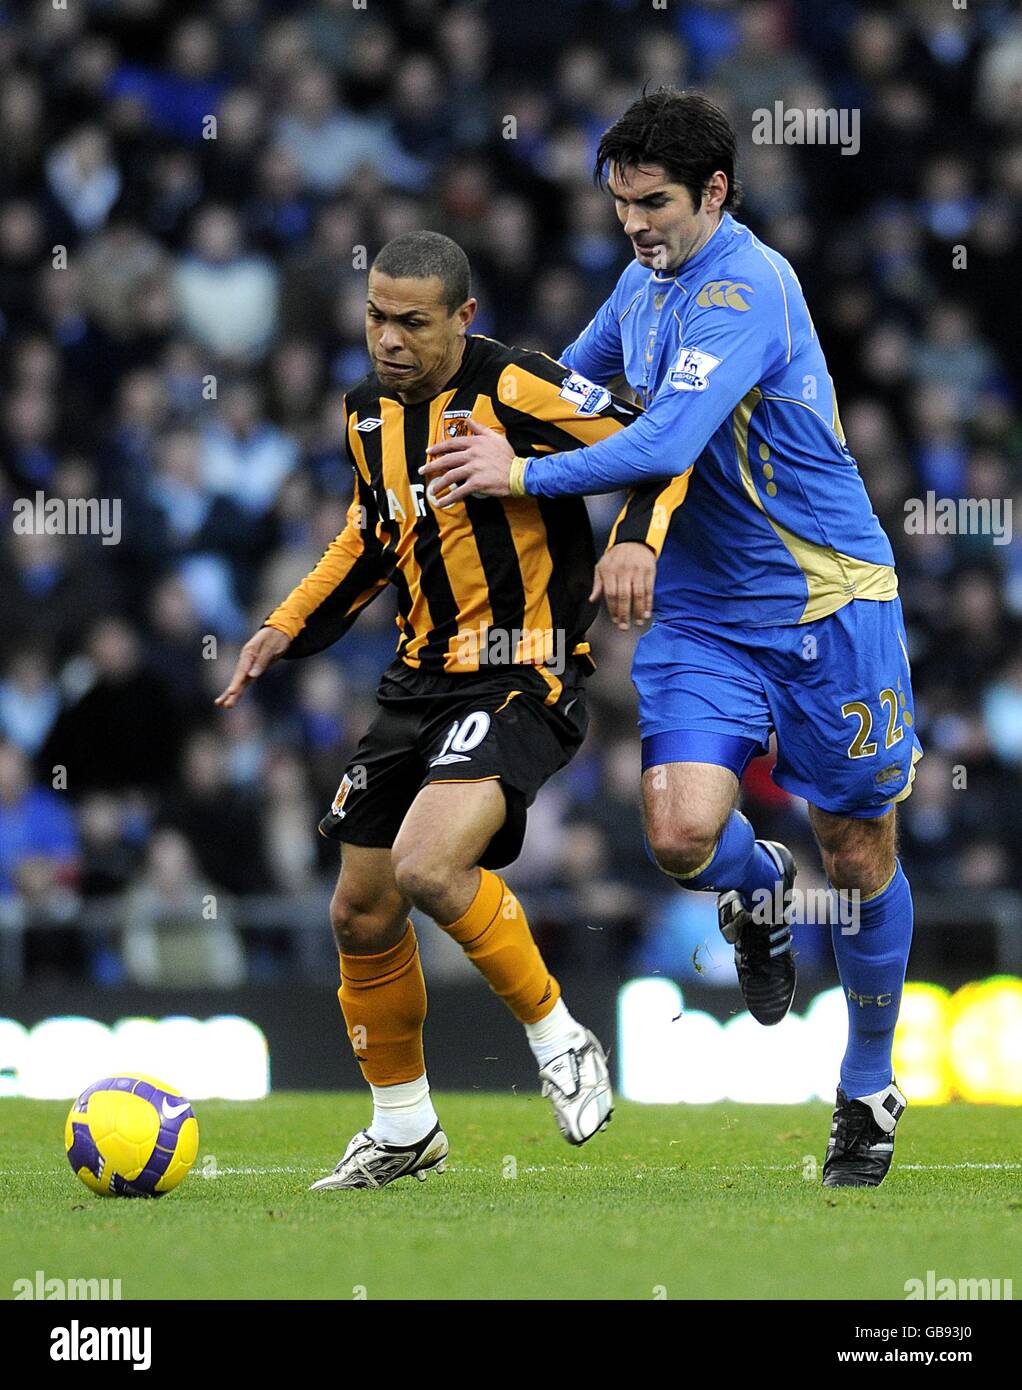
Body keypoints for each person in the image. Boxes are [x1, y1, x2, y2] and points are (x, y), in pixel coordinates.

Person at [422, 90, 922, 1189]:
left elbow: (664, 433)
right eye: (618, 204)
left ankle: (868, 1084)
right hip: (701, 612)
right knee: (679, 833)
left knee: (858, 848)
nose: (634, 225)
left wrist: (522, 473)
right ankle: (754, 890)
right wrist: (481, 413)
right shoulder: (641, 285)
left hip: (826, 602)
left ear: (714, 192)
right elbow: (569, 383)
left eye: (653, 204)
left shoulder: (746, 287)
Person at [216, 231, 664, 1190]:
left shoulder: (521, 388)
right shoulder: (367, 412)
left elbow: (658, 448)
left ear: (463, 317)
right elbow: (369, 535)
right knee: (360, 909)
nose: (387, 338)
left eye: (411, 321)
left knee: (426, 865)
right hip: (416, 679)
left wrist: (634, 544)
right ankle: (403, 1129)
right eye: (376, 315)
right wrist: (283, 626)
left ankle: (558, 1037)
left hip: (523, 670)